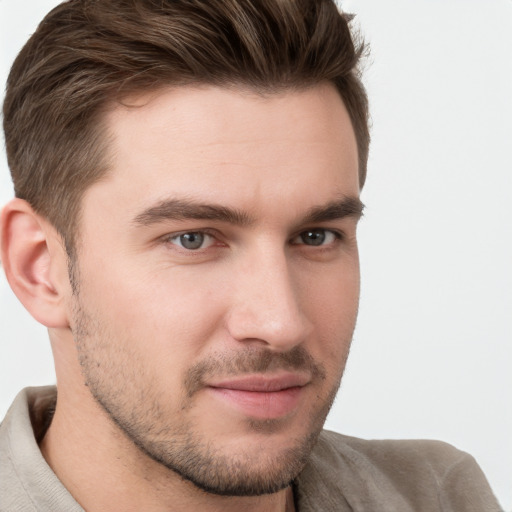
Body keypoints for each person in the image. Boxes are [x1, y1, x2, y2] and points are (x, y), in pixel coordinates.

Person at [0, 1, 502, 511]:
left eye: (316, 236)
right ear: (39, 268)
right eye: (192, 239)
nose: (281, 323)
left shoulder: (436, 496)